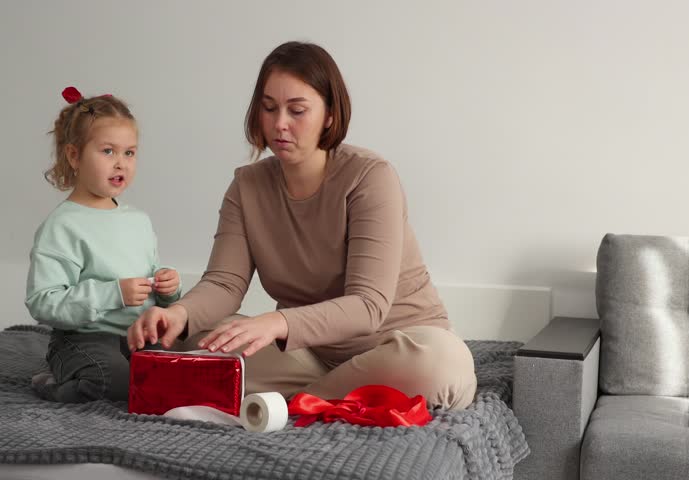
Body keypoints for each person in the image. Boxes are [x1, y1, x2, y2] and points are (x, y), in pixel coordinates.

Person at [128, 42, 476, 410]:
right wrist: (177, 315)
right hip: (306, 355)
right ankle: (332, 395)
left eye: (297, 110)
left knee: (442, 366)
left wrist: (277, 322)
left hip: (395, 348)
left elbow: (368, 305)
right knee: (202, 336)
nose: (280, 123)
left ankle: (300, 399)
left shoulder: (370, 177)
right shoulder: (246, 186)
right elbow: (224, 283)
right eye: (269, 108)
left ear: (329, 115)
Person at [25, 87, 181, 403]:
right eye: (108, 151)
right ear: (74, 155)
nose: (120, 163)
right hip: (83, 338)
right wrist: (114, 292)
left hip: (138, 333)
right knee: (115, 379)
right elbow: (43, 302)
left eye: (129, 152)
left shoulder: (139, 220)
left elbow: (152, 284)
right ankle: (55, 384)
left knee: (177, 371)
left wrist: (168, 289)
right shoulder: (63, 226)